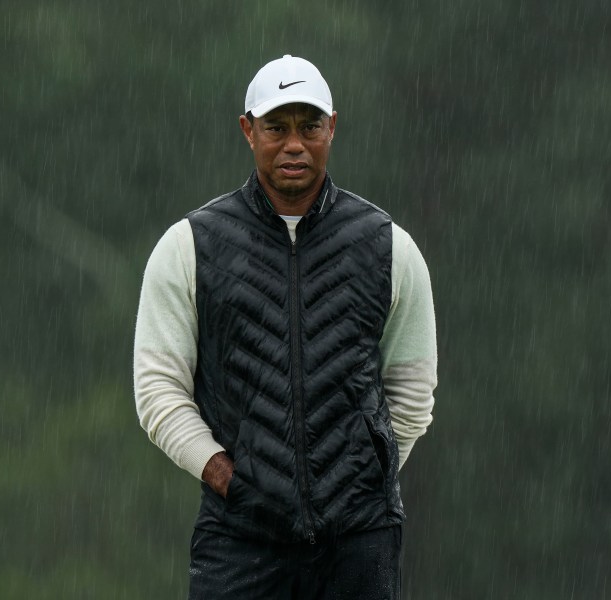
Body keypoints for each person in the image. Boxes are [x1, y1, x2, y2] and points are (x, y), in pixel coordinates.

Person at [134, 54, 437, 599]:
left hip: (359, 543)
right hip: (240, 541)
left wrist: (364, 476)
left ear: (332, 128)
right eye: (277, 127)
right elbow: (158, 388)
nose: (294, 143)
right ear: (248, 130)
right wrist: (227, 478)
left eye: (309, 126)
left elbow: (412, 389)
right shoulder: (189, 247)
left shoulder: (390, 246)